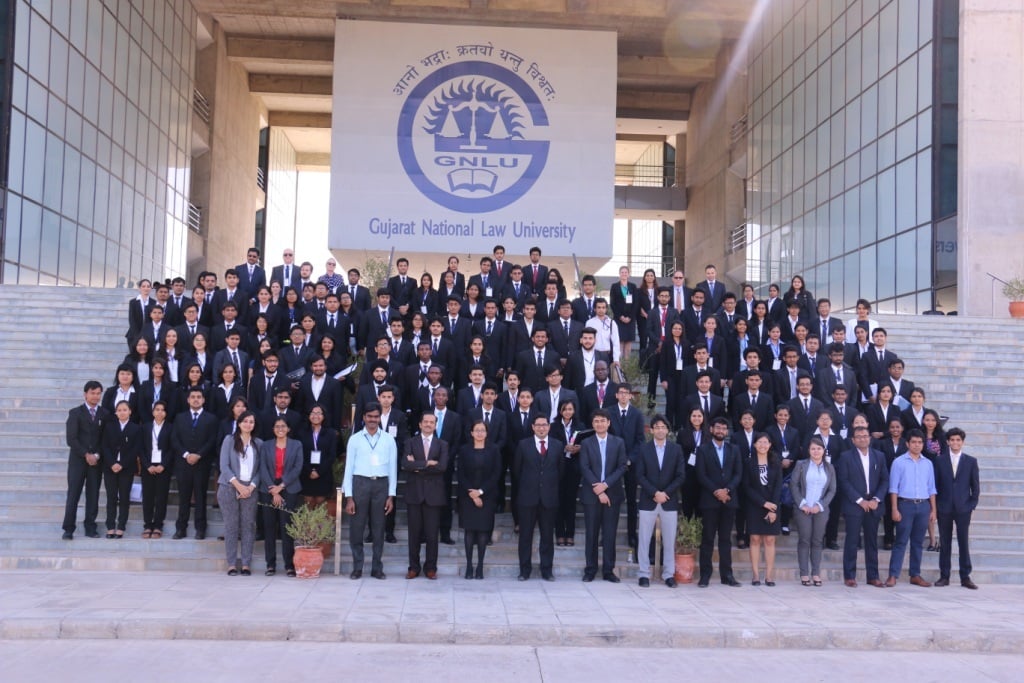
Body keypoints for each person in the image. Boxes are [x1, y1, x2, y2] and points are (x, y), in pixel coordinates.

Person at [343, 403, 398, 579]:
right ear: (364, 418)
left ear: (380, 417)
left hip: (381, 485)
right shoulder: (355, 439)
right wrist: (349, 497)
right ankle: (357, 567)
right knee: (356, 529)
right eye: (369, 416)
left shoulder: (389, 439)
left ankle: (377, 568)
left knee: (378, 528)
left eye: (376, 416)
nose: (373, 420)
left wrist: (391, 495)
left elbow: (393, 469)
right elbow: (348, 469)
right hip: (360, 484)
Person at [635, 415, 686, 588]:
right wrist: (655, 492)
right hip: (648, 499)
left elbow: (680, 475)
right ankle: (643, 573)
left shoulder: (676, 449)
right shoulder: (644, 449)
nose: (660, 430)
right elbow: (639, 475)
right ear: (651, 430)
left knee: (669, 539)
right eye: (656, 427)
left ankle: (668, 574)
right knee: (644, 538)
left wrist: (665, 493)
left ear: (668, 430)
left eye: (663, 427)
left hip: (669, 500)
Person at [513, 414, 564, 581]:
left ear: (549, 427)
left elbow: (561, 471)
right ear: (533, 427)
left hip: (549, 499)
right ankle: (524, 570)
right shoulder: (523, 445)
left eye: (545, 425)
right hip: (527, 498)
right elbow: (516, 471)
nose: (542, 428)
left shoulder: (557, 445)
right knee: (525, 536)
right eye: (538, 425)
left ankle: (547, 570)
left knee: (548, 536)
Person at [579, 409, 627, 583]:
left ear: (609, 423)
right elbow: (584, 467)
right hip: (591, 496)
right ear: (592, 424)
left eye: (602, 421)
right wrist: (599, 490)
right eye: (596, 421)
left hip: (612, 494)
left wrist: (605, 486)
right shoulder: (586, 443)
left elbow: (622, 466)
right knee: (591, 533)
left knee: (609, 534)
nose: (599, 424)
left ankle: (608, 570)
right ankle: (590, 569)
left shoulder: (618, 442)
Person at [886, 429, 938, 587]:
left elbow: (931, 489)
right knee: (901, 541)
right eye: (914, 442)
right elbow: (893, 488)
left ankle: (915, 574)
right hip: (905, 505)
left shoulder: (928, 463)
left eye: (920, 442)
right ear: (907, 443)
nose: (917, 445)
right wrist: (895, 509)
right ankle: (893, 575)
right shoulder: (899, 462)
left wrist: (933, 510)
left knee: (917, 542)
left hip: (923, 506)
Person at [695, 417, 743, 587]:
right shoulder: (703, 450)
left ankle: (727, 575)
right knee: (707, 539)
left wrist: (727, 490)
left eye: (724, 428)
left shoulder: (734, 449)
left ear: (727, 432)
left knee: (725, 539)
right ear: (711, 430)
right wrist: (717, 491)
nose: (721, 431)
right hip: (710, 500)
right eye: (718, 428)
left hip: (729, 501)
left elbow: (738, 474)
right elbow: (701, 474)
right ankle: (705, 576)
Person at [402, 413, 450, 580]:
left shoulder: (442, 444)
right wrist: (428, 463)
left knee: (432, 534)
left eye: (432, 422)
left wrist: (417, 465)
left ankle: (431, 568)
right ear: (420, 424)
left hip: (434, 495)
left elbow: (442, 467)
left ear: (435, 425)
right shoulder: (410, 442)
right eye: (426, 422)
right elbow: (406, 464)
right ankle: (413, 567)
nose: (429, 424)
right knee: (413, 534)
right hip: (414, 493)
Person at [170, 387, 219, 540]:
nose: (196, 399)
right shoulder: (179, 417)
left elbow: (212, 440)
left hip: (202, 463)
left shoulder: (211, 418)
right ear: (188, 400)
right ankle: (181, 529)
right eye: (193, 397)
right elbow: (174, 439)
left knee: (200, 496)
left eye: (199, 397)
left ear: (203, 400)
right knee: (183, 497)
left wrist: (199, 454)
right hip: (183, 463)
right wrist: (186, 454)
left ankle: (200, 529)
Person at [934, 427, 980, 589]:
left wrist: (971, 505)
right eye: (952, 440)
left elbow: (975, 487)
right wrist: (938, 506)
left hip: (963, 509)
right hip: (944, 508)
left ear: (963, 442)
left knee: (963, 542)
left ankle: (965, 576)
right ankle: (944, 576)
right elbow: (936, 485)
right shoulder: (939, 460)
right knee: (945, 542)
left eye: (958, 440)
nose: (955, 443)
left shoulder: (971, 461)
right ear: (947, 442)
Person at [258, 416, 304, 577]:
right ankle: (270, 564)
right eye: (277, 426)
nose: (280, 429)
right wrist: (273, 489)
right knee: (269, 527)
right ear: (273, 429)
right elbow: (262, 467)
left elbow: (297, 468)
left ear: (288, 428)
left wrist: (281, 487)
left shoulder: (297, 445)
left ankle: (289, 565)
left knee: (287, 528)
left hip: (289, 488)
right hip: (268, 488)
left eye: (283, 426)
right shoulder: (266, 445)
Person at [218, 411, 261, 576]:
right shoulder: (229, 440)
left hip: (250, 489)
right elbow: (224, 466)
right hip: (229, 487)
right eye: (245, 421)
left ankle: (245, 563)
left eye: (251, 422)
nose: (248, 424)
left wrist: (250, 487)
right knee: (231, 525)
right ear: (239, 423)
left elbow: (259, 469)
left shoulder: (259, 443)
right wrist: (238, 486)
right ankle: (231, 563)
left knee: (248, 526)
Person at [458, 419, 503, 579]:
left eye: (482, 430)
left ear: (486, 433)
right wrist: (472, 493)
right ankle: (469, 566)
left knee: (483, 532)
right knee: (469, 532)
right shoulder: (464, 450)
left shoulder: (494, 450)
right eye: (476, 430)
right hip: (467, 495)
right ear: (471, 433)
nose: (479, 433)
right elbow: (461, 473)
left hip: (487, 496)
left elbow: (496, 473)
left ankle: (480, 567)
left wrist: (481, 492)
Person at [790, 436, 836, 586]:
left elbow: (832, 490)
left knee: (817, 541)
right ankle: (804, 574)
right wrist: (802, 503)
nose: (816, 451)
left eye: (819, 448)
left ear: (824, 450)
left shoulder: (829, 467)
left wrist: (820, 505)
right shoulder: (801, 465)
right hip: (803, 508)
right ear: (808, 451)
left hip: (821, 509)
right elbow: (794, 485)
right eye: (813, 449)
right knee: (804, 540)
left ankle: (815, 573)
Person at [745, 433, 782, 585]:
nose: (762, 445)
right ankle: (755, 575)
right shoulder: (748, 462)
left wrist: (772, 508)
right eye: (759, 442)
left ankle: (769, 575)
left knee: (769, 539)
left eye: (765, 442)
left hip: (772, 505)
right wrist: (763, 503)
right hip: (755, 504)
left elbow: (779, 486)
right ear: (754, 445)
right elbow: (746, 487)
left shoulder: (775, 462)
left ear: (770, 444)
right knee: (754, 539)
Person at [100, 401, 141, 539]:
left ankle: (121, 526)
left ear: (130, 411)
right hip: (110, 467)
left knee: (124, 497)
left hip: (126, 468)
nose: (122, 412)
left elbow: (135, 449)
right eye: (119, 410)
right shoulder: (109, 427)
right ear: (116, 412)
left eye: (125, 409)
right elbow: (104, 446)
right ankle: (110, 526)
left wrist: (122, 464)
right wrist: (112, 463)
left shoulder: (136, 428)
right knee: (111, 497)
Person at [554, 399, 583, 547]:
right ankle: (559, 533)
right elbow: (551, 445)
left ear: (574, 411)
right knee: (559, 500)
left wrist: (579, 449)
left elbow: (585, 445)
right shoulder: (553, 427)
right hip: (558, 468)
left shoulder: (580, 427)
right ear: (560, 411)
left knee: (571, 501)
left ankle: (570, 533)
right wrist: (562, 448)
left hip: (574, 467)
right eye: (565, 409)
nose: (567, 412)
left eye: (570, 409)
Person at [299, 404, 338, 511]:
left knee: (321, 504)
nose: (315, 415)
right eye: (313, 413)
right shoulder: (301, 433)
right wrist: (309, 471)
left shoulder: (331, 433)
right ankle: (308, 528)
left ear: (324, 416)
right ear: (308, 415)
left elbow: (332, 455)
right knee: (308, 503)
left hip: (323, 473)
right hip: (307, 474)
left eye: (319, 413)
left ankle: (320, 528)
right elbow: (299, 455)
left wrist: (319, 472)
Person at [676, 407, 709, 518]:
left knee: (701, 508)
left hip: (704, 475)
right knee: (687, 507)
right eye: (694, 416)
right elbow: (679, 454)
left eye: (699, 416)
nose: (696, 418)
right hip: (688, 474)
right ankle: (688, 533)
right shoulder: (682, 433)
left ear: (703, 418)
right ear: (689, 417)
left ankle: (699, 533)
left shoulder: (708, 434)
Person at [609, 265, 638, 360]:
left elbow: (636, 303)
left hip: (630, 319)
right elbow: (612, 303)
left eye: (626, 272)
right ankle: (619, 365)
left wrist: (630, 317)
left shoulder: (633, 287)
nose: (624, 274)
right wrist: (621, 316)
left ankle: (627, 365)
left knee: (628, 342)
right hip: (619, 319)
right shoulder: (614, 286)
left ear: (628, 274)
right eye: (622, 272)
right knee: (620, 342)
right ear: (619, 274)